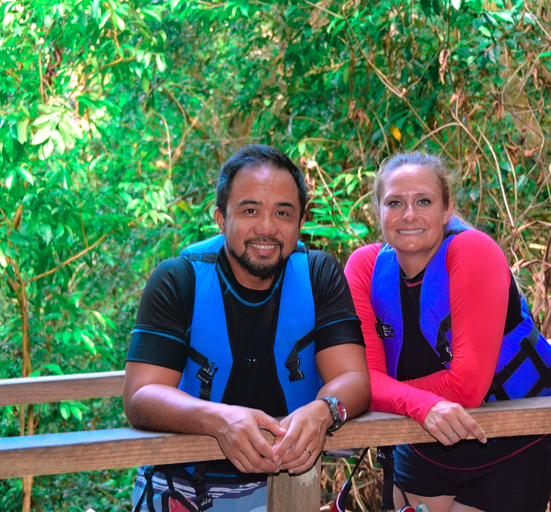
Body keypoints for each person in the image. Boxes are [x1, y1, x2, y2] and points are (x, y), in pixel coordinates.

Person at [124, 144, 371, 512]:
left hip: (284, 487)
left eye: (283, 213)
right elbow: (141, 396)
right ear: (221, 218)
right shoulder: (178, 280)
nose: (267, 228)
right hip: (180, 488)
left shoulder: (319, 274)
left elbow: (354, 379)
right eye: (250, 210)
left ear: (300, 222)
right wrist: (220, 420)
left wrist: (324, 410)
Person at [344, 152, 551, 512]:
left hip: (506, 447)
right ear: (378, 212)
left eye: (424, 201)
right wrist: (417, 403)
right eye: (394, 202)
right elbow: (364, 380)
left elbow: (466, 386)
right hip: (419, 447)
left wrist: (385, 393)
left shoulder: (472, 250)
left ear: (446, 209)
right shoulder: (364, 267)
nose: (409, 214)